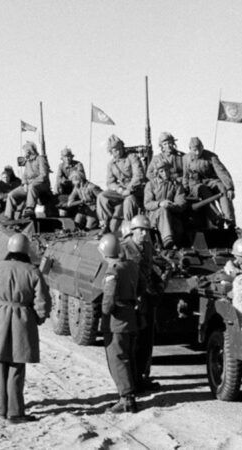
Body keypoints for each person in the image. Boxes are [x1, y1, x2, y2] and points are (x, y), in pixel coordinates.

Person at [0, 234, 51, 423]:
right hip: (23, 318)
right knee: (17, 366)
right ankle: (16, 412)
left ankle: (2, 410)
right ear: (27, 250)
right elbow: (42, 302)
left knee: (0, 365)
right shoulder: (33, 271)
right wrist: (37, 319)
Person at [98, 233, 141, 413]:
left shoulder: (113, 270)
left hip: (117, 319)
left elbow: (108, 298)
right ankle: (130, 393)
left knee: (117, 358)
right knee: (127, 356)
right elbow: (143, 286)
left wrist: (105, 313)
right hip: (131, 315)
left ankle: (126, 399)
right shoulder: (131, 266)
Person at [120, 215, 161, 393]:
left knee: (146, 340)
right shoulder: (125, 248)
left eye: (147, 231)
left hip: (146, 298)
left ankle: (142, 377)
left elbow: (150, 269)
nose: (144, 234)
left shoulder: (148, 247)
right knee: (131, 343)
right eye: (141, 230)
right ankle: (131, 383)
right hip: (131, 301)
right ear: (133, 230)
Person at [96, 134, 146, 233]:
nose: (117, 152)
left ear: (122, 148)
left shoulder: (132, 157)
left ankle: (129, 228)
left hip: (135, 190)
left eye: (119, 149)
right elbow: (110, 182)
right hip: (121, 191)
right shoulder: (111, 164)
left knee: (129, 201)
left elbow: (138, 176)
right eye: (114, 150)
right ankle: (104, 225)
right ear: (111, 152)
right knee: (102, 196)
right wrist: (118, 189)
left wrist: (129, 189)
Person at [182, 137, 236, 226]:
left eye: (200, 149)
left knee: (222, 189)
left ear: (202, 147)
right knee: (204, 191)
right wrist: (185, 189)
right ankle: (217, 218)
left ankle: (230, 220)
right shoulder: (186, 159)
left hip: (211, 181)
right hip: (196, 185)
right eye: (195, 150)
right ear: (190, 149)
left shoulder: (210, 156)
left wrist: (230, 188)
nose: (198, 152)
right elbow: (185, 176)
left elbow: (221, 171)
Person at [143, 161, 187, 248]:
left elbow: (181, 203)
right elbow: (147, 203)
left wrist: (171, 205)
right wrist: (160, 204)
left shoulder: (176, 185)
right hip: (154, 217)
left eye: (166, 170)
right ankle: (167, 239)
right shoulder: (151, 184)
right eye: (161, 171)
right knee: (162, 210)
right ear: (157, 172)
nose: (165, 173)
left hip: (172, 215)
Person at [4, 142, 51, 220]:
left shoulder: (40, 159)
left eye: (26, 151)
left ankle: (29, 209)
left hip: (41, 185)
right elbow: (24, 175)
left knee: (32, 187)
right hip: (29, 185)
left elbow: (44, 175)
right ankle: (9, 216)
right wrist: (25, 183)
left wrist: (32, 183)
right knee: (11, 195)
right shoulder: (28, 162)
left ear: (30, 151)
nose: (25, 153)